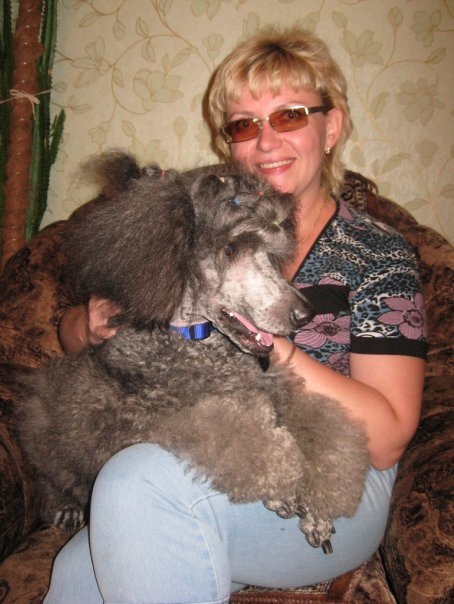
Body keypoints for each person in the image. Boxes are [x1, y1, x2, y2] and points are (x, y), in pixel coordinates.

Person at [45, 27, 427, 603]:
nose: (266, 141)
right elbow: (91, 343)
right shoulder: (198, 228)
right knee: (77, 575)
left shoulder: (377, 256)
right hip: (206, 458)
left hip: (329, 473)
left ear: (332, 128)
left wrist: (273, 348)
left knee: (133, 483)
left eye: (290, 115)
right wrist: (88, 321)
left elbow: (389, 437)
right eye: (245, 124)